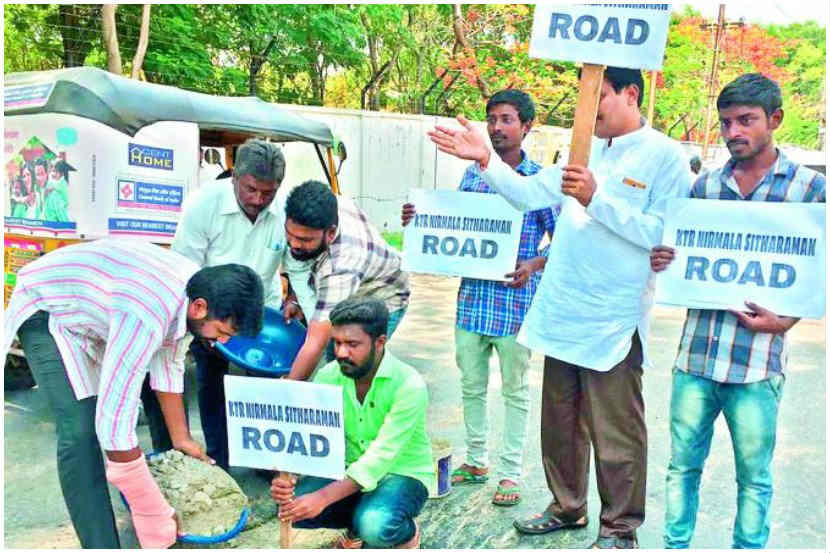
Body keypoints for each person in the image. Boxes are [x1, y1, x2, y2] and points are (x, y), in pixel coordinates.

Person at [428, 66, 692, 548]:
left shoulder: (665, 157)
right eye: (584, 102)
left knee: (616, 433)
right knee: (561, 423)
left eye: (600, 98)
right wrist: (485, 159)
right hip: (562, 309)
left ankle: (619, 528)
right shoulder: (583, 148)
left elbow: (663, 235)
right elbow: (529, 195)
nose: (587, 113)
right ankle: (567, 507)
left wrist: (597, 197)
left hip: (614, 318)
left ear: (632, 94)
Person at [651, 73, 826, 549]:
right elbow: (683, 254)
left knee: (754, 477)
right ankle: (675, 544)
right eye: (726, 122)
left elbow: (819, 271)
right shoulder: (705, 186)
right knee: (682, 467)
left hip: (757, 363)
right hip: (697, 358)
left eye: (746, 120)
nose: (733, 132)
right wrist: (666, 259)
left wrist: (786, 321)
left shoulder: (810, 191)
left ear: (775, 120)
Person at [3, 238, 265, 549]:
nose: (219, 342)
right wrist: (150, 510)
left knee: (107, 426)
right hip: (49, 309)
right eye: (221, 332)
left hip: (95, 310)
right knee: (81, 431)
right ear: (199, 308)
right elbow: (114, 426)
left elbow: (171, 363)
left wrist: (182, 439)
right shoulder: (147, 311)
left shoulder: (199, 291)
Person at [401, 89, 555, 506]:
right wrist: (420, 220)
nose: (497, 127)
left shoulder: (539, 180)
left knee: (516, 391)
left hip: (514, 305)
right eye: (492, 119)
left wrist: (533, 266)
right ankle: (478, 459)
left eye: (507, 119)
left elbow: (563, 242)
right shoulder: (472, 175)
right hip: (471, 302)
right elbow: (456, 227)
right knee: (470, 385)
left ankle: (509, 474)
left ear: (527, 126)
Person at [271, 297, 433, 549]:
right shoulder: (329, 376)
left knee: (376, 525)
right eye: (336, 343)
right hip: (348, 469)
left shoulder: (409, 385)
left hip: (401, 472)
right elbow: (309, 437)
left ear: (380, 342)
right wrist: (287, 477)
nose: (341, 352)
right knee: (294, 505)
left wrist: (324, 497)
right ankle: (356, 526)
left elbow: (381, 457)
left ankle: (406, 533)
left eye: (352, 344)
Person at [171, 138, 288, 471]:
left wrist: (294, 301)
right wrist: (205, 323)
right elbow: (184, 268)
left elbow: (292, 264)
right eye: (251, 189)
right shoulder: (203, 204)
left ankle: (267, 463)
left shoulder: (282, 210)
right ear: (235, 176)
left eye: (268, 193)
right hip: (212, 314)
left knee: (263, 388)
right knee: (213, 385)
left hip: (260, 312)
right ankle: (219, 460)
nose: (259, 200)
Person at [282, 180, 411, 381]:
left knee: (348, 366)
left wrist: (286, 393)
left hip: (383, 295)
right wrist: (294, 298)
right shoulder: (328, 203)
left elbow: (316, 343)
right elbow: (299, 265)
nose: (295, 244)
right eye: (290, 235)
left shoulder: (341, 265)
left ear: (331, 233)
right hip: (355, 277)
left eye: (306, 240)